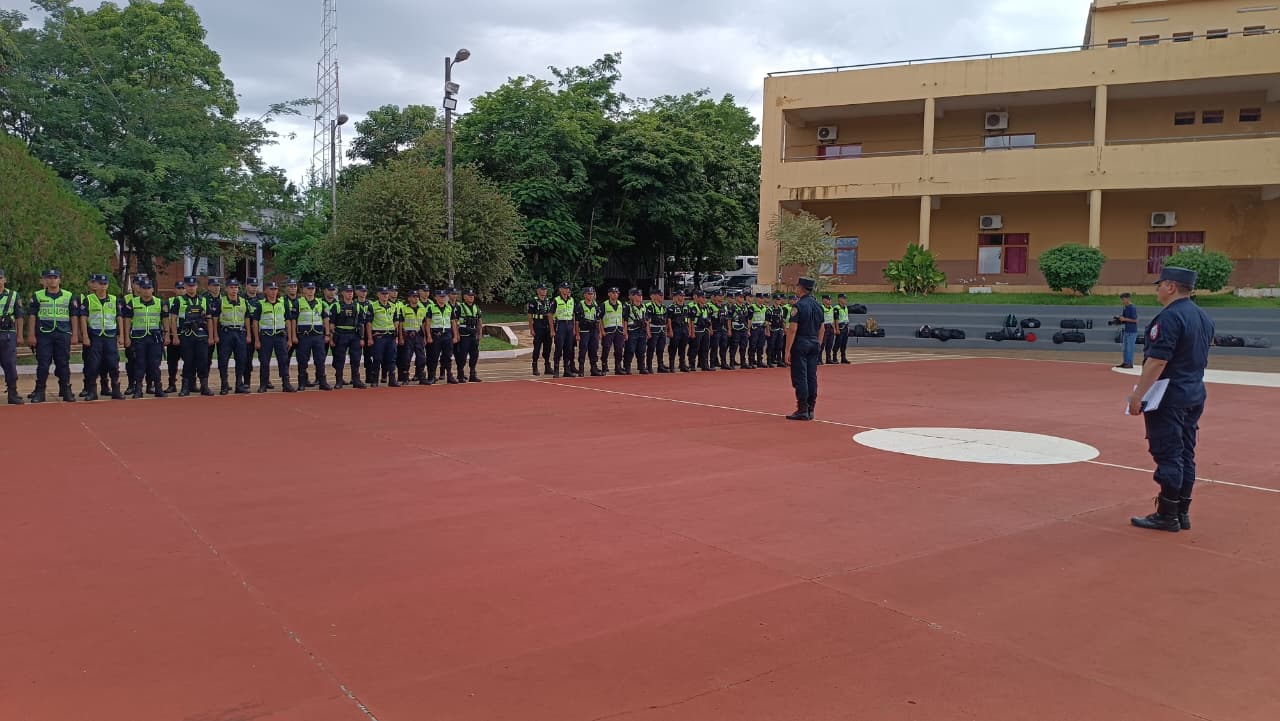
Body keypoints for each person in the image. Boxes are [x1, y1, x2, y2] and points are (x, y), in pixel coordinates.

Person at [1128, 266, 1214, 533]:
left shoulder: (1169, 317)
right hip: (1193, 391)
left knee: (1168, 452)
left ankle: (1167, 514)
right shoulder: (1202, 316)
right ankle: (1181, 511)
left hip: (1169, 394)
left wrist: (1138, 395)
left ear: (1171, 287)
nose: (1157, 290)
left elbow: (1157, 361)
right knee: (1186, 452)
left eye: (1160, 285)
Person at [26, 269, 77, 403]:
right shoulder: (38, 295)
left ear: (59, 279)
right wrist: (31, 335)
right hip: (44, 334)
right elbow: (32, 315)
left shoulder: (68, 295)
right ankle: (40, 391)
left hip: (63, 333)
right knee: (43, 363)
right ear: (45, 280)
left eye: (55, 277)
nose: (52, 280)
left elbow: (73, 316)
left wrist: (75, 334)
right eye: (49, 277)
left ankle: (66, 389)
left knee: (63, 363)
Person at [79, 274, 125, 401]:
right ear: (96, 285)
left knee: (113, 363)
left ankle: (116, 390)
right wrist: (85, 336)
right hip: (95, 336)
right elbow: (83, 318)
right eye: (100, 284)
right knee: (93, 364)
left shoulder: (114, 300)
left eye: (105, 284)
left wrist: (121, 335)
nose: (103, 286)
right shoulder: (89, 299)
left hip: (110, 336)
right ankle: (92, 391)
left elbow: (119, 318)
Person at [120, 278, 169, 398]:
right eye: (144, 288)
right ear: (140, 289)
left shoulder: (160, 302)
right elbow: (127, 320)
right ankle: (138, 389)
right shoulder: (133, 303)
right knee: (139, 364)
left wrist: (167, 334)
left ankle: (158, 388)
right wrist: (127, 337)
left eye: (148, 288)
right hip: (138, 338)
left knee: (155, 364)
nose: (146, 291)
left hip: (154, 338)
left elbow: (165, 319)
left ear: (152, 289)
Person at [170, 275, 216, 396]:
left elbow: (209, 319)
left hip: (201, 335)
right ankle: (185, 387)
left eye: (193, 285)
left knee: (203, 361)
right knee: (188, 361)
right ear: (185, 286)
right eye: (189, 286)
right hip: (186, 335)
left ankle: (204, 386)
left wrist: (211, 337)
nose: (191, 288)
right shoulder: (178, 300)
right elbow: (173, 319)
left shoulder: (204, 300)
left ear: (197, 286)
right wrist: (175, 336)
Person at [785, 277, 823, 421]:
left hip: (801, 343)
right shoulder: (818, 306)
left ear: (801, 288)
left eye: (797, 287)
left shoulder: (798, 306)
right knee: (811, 376)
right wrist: (818, 344)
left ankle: (802, 409)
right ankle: (811, 408)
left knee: (800, 376)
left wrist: (787, 350)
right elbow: (822, 328)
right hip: (814, 342)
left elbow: (792, 329)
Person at [251, 281, 295, 393]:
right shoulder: (260, 304)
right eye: (271, 289)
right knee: (264, 362)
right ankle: (263, 384)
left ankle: (286, 384)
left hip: (280, 336)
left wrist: (290, 339)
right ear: (266, 290)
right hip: (266, 336)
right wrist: (257, 340)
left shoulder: (283, 303)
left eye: (275, 289)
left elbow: (288, 321)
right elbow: (255, 322)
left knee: (284, 360)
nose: (273, 291)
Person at [214, 279, 251, 395]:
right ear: (226, 289)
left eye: (236, 287)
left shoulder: (244, 302)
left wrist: (249, 334)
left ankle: (239, 384)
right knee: (223, 359)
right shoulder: (221, 301)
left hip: (240, 333)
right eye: (231, 287)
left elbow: (247, 319)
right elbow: (215, 320)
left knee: (241, 359)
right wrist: (215, 335)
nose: (234, 290)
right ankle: (224, 384)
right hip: (226, 333)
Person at [294, 281, 332, 391]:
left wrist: (327, 334)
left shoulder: (320, 303)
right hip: (304, 336)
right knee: (302, 360)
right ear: (304, 290)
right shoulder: (298, 303)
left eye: (312, 289)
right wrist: (294, 335)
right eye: (308, 288)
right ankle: (302, 383)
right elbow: (293, 320)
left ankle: (322, 382)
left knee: (320, 359)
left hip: (318, 336)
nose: (311, 291)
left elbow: (325, 319)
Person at [329, 284, 367, 389]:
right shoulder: (336, 306)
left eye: (351, 292)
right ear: (342, 293)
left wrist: (362, 338)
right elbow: (331, 324)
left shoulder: (357, 306)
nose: (350, 294)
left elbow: (361, 323)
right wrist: (331, 338)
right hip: (340, 335)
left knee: (356, 359)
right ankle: (339, 381)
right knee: (339, 359)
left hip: (354, 335)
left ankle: (356, 380)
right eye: (347, 292)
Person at [367, 286, 403, 388]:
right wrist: (370, 338)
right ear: (378, 294)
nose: (385, 296)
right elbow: (368, 323)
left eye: (386, 294)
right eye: (383, 294)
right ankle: (375, 380)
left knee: (392, 358)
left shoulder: (393, 306)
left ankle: (392, 380)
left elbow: (396, 321)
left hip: (391, 336)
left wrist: (396, 335)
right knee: (377, 358)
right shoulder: (373, 306)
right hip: (379, 336)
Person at [0, 269, 26, 404]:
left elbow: (19, 316)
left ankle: (12, 393)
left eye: (0, 278)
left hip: (7, 334)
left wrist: (20, 335)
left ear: (4, 279)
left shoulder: (13, 295)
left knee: (10, 364)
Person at [423, 288, 456, 384]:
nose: (442, 298)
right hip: (436, 335)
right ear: (436, 298)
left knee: (448, 356)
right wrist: (428, 336)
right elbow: (427, 323)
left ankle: (449, 375)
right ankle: (432, 376)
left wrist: (455, 336)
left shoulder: (449, 308)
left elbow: (453, 322)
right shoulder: (431, 308)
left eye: (444, 297)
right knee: (433, 357)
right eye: (440, 297)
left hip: (447, 335)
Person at [399, 289, 429, 384]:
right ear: (409, 298)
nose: (416, 298)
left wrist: (425, 337)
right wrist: (400, 337)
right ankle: (405, 378)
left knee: (421, 357)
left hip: (419, 335)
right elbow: (400, 324)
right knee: (407, 357)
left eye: (417, 297)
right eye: (413, 296)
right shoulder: (404, 309)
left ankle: (421, 377)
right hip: (408, 336)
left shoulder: (422, 309)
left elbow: (423, 324)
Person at [455, 288, 484, 382]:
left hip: (473, 335)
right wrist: (456, 335)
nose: (471, 297)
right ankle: (460, 375)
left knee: (474, 355)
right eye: (469, 295)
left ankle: (472, 374)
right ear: (464, 297)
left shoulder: (476, 307)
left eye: (472, 296)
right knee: (462, 356)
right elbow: (455, 322)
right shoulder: (459, 307)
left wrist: (480, 333)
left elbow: (479, 321)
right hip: (464, 335)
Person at [526, 283, 554, 376]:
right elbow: (530, 315)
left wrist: (552, 328)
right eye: (542, 289)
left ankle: (547, 366)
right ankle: (535, 366)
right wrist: (531, 328)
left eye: (545, 289)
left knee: (548, 347)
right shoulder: (533, 301)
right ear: (538, 290)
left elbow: (551, 314)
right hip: (538, 325)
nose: (544, 291)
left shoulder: (548, 301)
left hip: (547, 325)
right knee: (537, 347)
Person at [551, 282, 577, 378]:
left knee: (569, 348)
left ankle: (567, 369)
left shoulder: (571, 300)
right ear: (560, 289)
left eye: (568, 288)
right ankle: (556, 370)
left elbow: (573, 314)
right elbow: (550, 314)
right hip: (560, 324)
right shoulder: (556, 300)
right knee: (559, 347)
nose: (567, 290)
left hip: (569, 324)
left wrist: (574, 328)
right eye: (565, 288)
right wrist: (552, 329)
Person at [575, 286, 602, 377]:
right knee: (583, 350)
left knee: (594, 349)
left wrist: (599, 332)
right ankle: (581, 369)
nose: (591, 295)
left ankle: (593, 368)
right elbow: (577, 321)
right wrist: (577, 334)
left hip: (593, 330)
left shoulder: (595, 305)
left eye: (592, 294)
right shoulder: (580, 305)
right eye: (589, 294)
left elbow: (598, 320)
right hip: (584, 330)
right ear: (584, 295)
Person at [622, 288, 650, 375]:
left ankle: (642, 367)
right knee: (630, 350)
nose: (640, 297)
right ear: (633, 296)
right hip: (632, 331)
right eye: (638, 295)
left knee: (642, 350)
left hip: (642, 331)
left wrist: (648, 332)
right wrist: (625, 332)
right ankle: (627, 367)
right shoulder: (628, 307)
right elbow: (625, 320)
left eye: (641, 295)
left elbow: (647, 320)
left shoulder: (644, 307)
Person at [164, 279, 185, 393]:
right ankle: (172, 383)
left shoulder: (189, 300)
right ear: (174, 290)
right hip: (173, 335)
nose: (181, 290)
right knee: (172, 361)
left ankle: (189, 383)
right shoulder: (169, 302)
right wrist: (168, 335)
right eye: (179, 288)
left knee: (189, 360)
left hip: (186, 335)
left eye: (183, 288)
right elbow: (166, 319)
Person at [600, 287, 625, 375]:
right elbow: (600, 318)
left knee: (619, 349)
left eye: (616, 293)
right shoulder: (604, 304)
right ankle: (604, 366)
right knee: (606, 348)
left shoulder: (620, 304)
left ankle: (618, 367)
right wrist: (602, 331)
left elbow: (623, 317)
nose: (615, 294)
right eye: (613, 293)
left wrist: (623, 329)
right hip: (608, 330)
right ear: (609, 294)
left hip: (619, 330)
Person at [646, 288, 670, 374]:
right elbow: (647, 320)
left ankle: (660, 365)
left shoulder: (663, 307)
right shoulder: (649, 306)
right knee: (651, 348)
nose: (662, 297)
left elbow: (666, 320)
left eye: (662, 295)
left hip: (662, 330)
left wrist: (666, 330)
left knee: (661, 349)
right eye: (660, 295)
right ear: (655, 296)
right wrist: (648, 332)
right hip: (654, 329)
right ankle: (649, 366)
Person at [667, 289, 692, 373]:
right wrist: (670, 330)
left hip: (684, 328)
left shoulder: (686, 307)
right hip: (676, 328)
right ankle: (671, 365)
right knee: (673, 347)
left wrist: (689, 330)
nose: (682, 297)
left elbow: (688, 319)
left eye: (683, 296)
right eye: (681, 296)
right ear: (676, 296)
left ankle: (682, 365)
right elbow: (669, 319)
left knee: (683, 347)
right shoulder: (671, 307)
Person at [690, 289, 714, 371]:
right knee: (695, 348)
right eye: (702, 297)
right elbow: (691, 321)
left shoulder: (707, 308)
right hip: (697, 329)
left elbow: (709, 319)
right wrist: (692, 332)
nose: (704, 299)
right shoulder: (694, 308)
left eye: (705, 297)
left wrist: (710, 329)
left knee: (705, 348)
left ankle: (705, 365)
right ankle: (692, 365)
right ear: (698, 298)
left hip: (705, 329)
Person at [1116, 292, 1139, 369]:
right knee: (1125, 348)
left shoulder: (1132, 308)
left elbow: (1135, 320)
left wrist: (1124, 319)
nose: (1122, 301)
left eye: (1123, 299)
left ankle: (1129, 363)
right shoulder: (1125, 307)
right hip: (1127, 330)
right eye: (1122, 299)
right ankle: (1125, 362)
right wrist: (1119, 319)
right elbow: (1124, 318)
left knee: (1130, 348)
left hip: (1132, 331)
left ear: (1128, 299)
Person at [834, 294, 852, 364]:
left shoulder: (845, 307)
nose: (845, 300)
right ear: (840, 299)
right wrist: (837, 329)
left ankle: (843, 358)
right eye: (844, 298)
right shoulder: (836, 308)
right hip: (840, 327)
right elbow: (836, 319)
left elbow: (846, 317)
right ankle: (834, 357)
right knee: (838, 343)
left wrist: (848, 327)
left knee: (844, 343)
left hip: (846, 326)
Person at [819, 295, 836, 364]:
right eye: (827, 300)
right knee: (822, 343)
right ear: (823, 300)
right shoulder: (821, 308)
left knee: (830, 344)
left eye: (830, 300)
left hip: (830, 326)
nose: (829, 301)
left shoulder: (832, 308)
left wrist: (834, 328)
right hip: (824, 326)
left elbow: (833, 319)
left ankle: (828, 359)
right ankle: (819, 359)